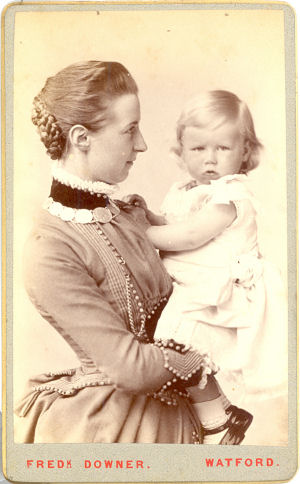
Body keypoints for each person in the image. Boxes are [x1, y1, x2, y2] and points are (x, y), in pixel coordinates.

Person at [14, 60, 230, 444]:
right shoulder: (49, 249)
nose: (142, 143)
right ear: (82, 138)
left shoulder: (132, 215)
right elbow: (130, 367)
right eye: (130, 130)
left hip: (191, 418)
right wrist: (197, 363)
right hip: (115, 432)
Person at [128, 90, 288, 443]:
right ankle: (218, 414)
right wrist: (149, 216)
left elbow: (190, 236)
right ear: (181, 152)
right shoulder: (188, 190)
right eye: (199, 149)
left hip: (217, 293)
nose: (210, 159)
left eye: (223, 148)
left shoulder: (230, 196)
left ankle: (217, 419)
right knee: (178, 348)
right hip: (193, 286)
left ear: (245, 151)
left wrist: (142, 232)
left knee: (179, 345)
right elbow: (176, 222)